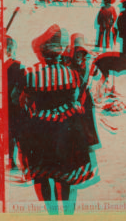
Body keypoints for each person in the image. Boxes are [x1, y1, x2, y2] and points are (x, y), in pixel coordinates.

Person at [21, 25, 98, 214]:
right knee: (67, 176)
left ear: (42, 52)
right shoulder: (71, 74)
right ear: (61, 52)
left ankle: (52, 215)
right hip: (67, 129)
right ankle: (68, 215)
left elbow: (23, 102)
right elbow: (74, 101)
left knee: (43, 175)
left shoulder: (31, 74)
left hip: (41, 130)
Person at [4, 35, 25, 171]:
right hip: (16, 106)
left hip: (6, 106)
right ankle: (15, 162)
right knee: (18, 134)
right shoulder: (19, 66)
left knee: (10, 133)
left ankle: (11, 161)